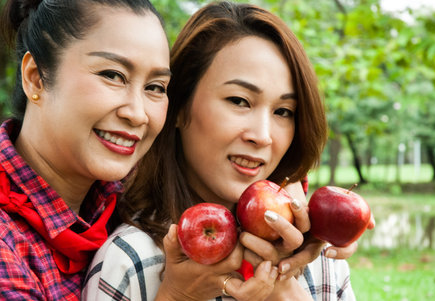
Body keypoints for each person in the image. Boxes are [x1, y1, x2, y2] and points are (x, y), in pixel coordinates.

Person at [83, 1, 357, 300]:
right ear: (178, 108)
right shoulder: (132, 262)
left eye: (283, 111)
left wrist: (283, 287)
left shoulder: (319, 263)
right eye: (239, 101)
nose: (263, 136)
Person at [0, 0, 170, 299]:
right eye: (113, 75)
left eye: (155, 87)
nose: (138, 113)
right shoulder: (7, 243)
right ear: (36, 77)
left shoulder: (132, 198)